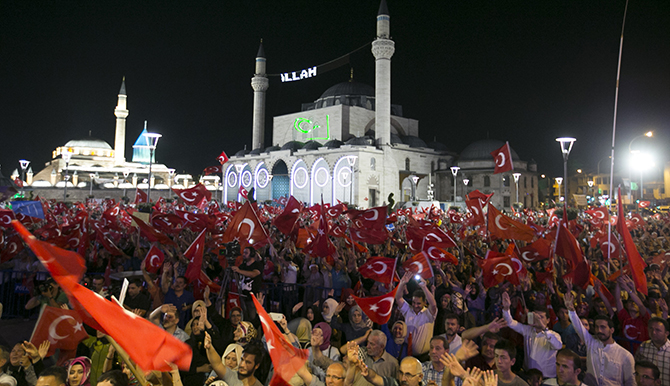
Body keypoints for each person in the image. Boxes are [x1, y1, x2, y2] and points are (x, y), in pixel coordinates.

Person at [564, 291, 635, 386]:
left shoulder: (625, 356)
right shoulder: (591, 342)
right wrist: (571, 310)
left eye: (603, 327)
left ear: (612, 330)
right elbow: (578, 327)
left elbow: (630, 383)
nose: (599, 330)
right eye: (597, 327)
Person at [502, 292, 562, 378]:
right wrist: (506, 308)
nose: (538, 319)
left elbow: (558, 345)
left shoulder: (553, 335)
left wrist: (544, 328)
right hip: (528, 375)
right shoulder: (528, 330)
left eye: (541, 317)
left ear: (548, 320)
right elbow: (510, 323)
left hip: (546, 378)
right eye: (536, 316)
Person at [395, 272, 438, 359]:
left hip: (424, 357)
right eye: (414, 302)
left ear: (424, 303)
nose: (415, 305)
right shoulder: (408, 310)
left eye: (418, 303)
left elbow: (433, 305)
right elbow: (398, 298)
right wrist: (402, 283)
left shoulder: (428, 314)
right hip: (407, 354)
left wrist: (424, 287)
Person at [634, 317, 670, 386]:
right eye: (651, 328)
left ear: (666, 333)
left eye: (658, 330)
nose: (653, 332)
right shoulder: (643, 346)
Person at [231, 247, 263, 321]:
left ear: (251, 254)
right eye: (244, 252)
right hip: (242, 295)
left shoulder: (257, 265)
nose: (244, 254)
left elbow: (253, 274)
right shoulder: (243, 265)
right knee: (244, 317)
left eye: (246, 253)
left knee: (253, 317)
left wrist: (239, 271)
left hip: (253, 296)